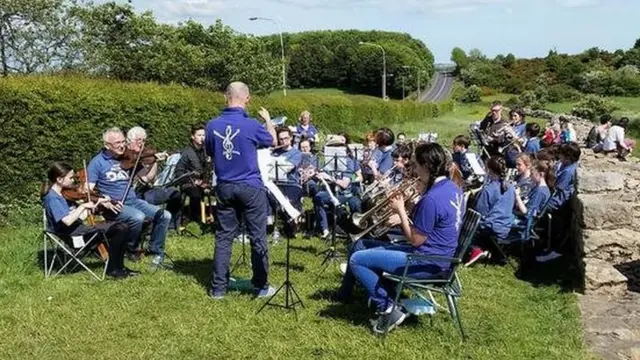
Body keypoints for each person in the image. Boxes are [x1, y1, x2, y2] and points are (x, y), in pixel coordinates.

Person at [339, 142, 465, 333]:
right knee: (361, 244)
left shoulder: (432, 199)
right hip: (441, 257)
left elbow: (415, 240)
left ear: (426, 166)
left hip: (426, 262)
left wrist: (401, 214)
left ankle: (388, 307)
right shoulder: (452, 188)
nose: (412, 169)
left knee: (358, 260)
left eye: (415, 165)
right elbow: (432, 225)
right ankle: (344, 295)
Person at [205, 82, 277, 300]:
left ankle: (218, 289)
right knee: (257, 237)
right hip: (250, 186)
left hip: (225, 186)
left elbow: (210, 152)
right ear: (247, 99)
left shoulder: (211, 125)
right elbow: (272, 140)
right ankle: (260, 286)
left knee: (224, 237)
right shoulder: (252, 124)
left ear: (225, 97)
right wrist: (268, 121)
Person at [87, 127, 172, 268]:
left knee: (165, 215)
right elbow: (88, 191)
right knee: (137, 217)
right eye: (117, 143)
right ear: (107, 145)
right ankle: (130, 249)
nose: (122, 145)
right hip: (114, 205)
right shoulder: (97, 163)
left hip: (133, 200)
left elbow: (146, 179)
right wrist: (105, 201)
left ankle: (156, 251)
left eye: (123, 141)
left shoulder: (129, 157)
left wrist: (154, 161)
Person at [42, 162, 135, 279]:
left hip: (80, 230)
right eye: (70, 178)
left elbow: (78, 218)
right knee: (120, 228)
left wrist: (96, 204)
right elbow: (67, 221)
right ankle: (113, 269)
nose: (73, 181)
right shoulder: (53, 198)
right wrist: (83, 206)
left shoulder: (61, 195)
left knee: (122, 227)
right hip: (73, 236)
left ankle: (119, 267)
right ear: (59, 179)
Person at [127, 126, 182, 230]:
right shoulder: (126, 157)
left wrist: (154, 162)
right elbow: (143, 179)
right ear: (129, 140)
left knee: (174, 193)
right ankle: (150, 226)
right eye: (138, 140)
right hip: (134, 194)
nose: (142, 143)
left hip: (146, 189)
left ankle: (171, 225)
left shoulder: (144, 156)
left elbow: (150, 178)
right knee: (147, 200)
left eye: (143, 140)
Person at [466, 156, 516, 266]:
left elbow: (479, 214)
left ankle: (476, 248)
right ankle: (486, 249)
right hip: (506, 226)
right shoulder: (511, 187)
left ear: (489, 170)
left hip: (491, 227)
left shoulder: (488, 190)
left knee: (467, 222)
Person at [536, 142, 580, 263]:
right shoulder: (569, 166)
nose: (559, 157)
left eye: (561, 155)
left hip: (558, 202)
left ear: (568, 157)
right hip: (558, 199)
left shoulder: (568, 171)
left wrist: (549, 171)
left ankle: (536, 234)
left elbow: (555, 187)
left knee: (536, 205)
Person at [269, 126, 303, 239]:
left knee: (287, 199)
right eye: (281, 139)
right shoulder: (274, 152)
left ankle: (290, 223)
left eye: (286, 138)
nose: (284, 141)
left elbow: (288, 167)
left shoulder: (296, 153)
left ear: (291, 138)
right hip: (275, 183)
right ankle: (270, 222)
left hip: (291, 183)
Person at [174, 123, 210, 229]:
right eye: (199, 135)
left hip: (203, 182)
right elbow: (179, 172)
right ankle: (193, 217)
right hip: (188, 183)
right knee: (196, 194)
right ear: (192, 137)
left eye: (203, 135)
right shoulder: (186, 152)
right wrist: (193, 181)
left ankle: (213, 217)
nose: (202, 138)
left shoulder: (206, 151)